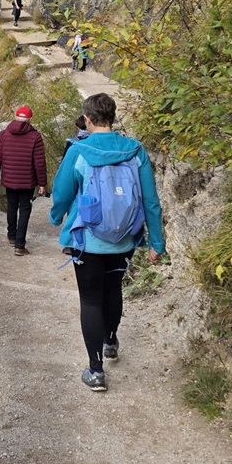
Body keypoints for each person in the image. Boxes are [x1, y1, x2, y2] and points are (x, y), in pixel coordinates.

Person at [49, 92, 165, 392]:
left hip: (87, 239)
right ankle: (110, 339)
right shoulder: (135, 150)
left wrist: (56, 215)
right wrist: (157, 242)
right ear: (112, 117)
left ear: (87, 118)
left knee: (90, 299)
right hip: (124, 238)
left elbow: (61, 192)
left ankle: (96, 370)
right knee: (113, 289)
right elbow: (151, 200)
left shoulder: (79, 149)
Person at [0, 104, 47, 256]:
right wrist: (42, 183)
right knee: (25, 209)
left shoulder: (3, 135)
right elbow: (39, 162)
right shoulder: (35, 137)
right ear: (30, 119)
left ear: (15, 117)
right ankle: (19, 245)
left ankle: (11, 235)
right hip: (27, 181)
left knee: (11, 206)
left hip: (9, 179)